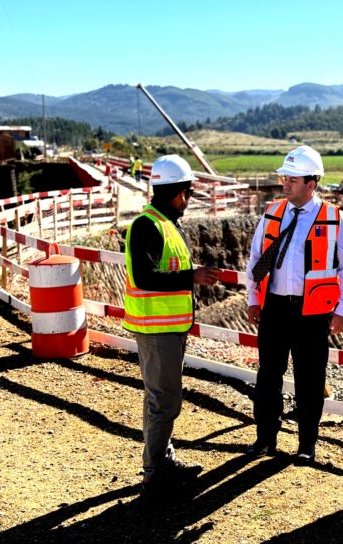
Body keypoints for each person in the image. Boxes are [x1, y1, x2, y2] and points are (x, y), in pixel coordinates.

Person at [245, 145, 343, 464]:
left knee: (310, 380)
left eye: (292, 179)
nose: (285, 183)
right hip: (275, 309)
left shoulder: (334, 218)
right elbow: (256, 258)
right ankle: (265, 439)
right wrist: (253, 297)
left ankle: (306, 444)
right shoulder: (273, 213)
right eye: (284, 177)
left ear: (312, 183)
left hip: (313, 314)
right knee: (268, 375)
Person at [122, 154, 222, 495]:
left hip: (169, 328)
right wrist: (191, 276)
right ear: (177, 191)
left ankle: (162, 460)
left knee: (162, 398)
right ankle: (156, 473)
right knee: (164, 400)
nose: (188, 199)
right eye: (188, 192)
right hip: (156, 329)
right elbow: (145, 276)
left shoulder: (167, 223)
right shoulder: (147, 225)